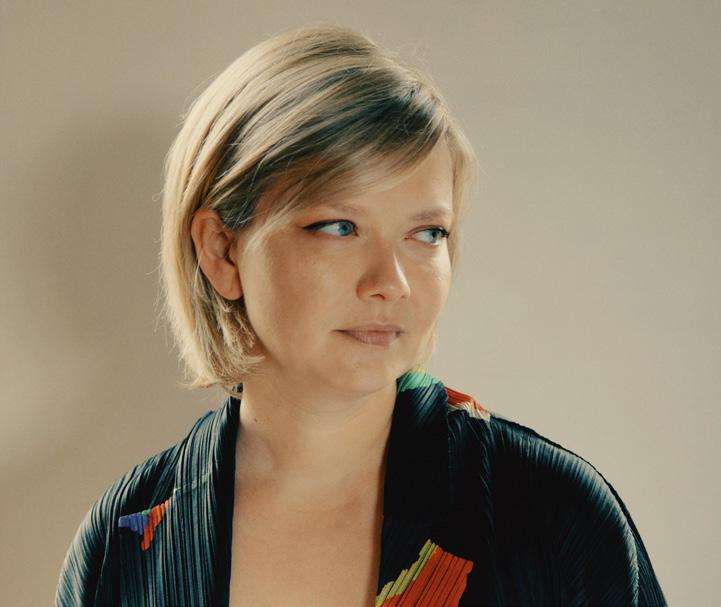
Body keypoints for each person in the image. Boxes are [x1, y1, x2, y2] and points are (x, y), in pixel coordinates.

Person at [55, 22, 667, 607]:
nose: (390, 283)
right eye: (339, 227)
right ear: (222, 250)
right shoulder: (122, 544)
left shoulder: (552, 514)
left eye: (426, 234)